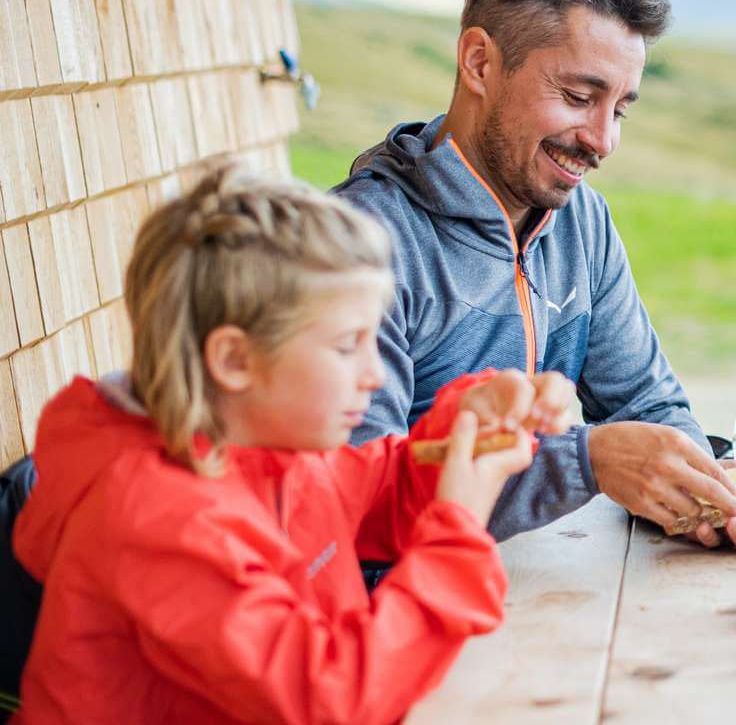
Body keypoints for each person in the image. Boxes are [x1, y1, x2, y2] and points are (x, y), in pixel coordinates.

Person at [10, 165, 571, 722]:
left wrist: (462, 430)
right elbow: (328, 700)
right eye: (349, 345)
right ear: (234, 361)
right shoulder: (159, 521)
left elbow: (379, 490)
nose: (375, 375)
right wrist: (457, 531)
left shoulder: (266, 449)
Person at [333, 0, 736, 549]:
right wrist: (588, 461)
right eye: (579, 97)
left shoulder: (584, 222)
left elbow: (647, 407)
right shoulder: (357, 245)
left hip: (531, 589)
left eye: (620, 110)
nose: (602, 141)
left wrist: (705, 490)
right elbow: (353, 498)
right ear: (479, 63)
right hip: (386, 613)